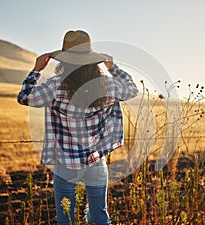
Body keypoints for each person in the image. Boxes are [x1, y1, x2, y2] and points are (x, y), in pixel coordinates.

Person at [17, 30, 138, 225]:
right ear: (92, 60)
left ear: (64, 61)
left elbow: (24, 97)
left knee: (66, 220)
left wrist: (36, 70)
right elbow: (132, 88)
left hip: (66, 163)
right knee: (100, 217)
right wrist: (113, 67)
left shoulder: (55, 86)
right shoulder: (107, 85)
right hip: (96, 160)